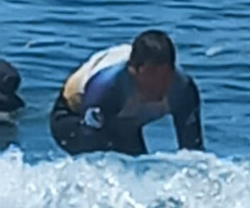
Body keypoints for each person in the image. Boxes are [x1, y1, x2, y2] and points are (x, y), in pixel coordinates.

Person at [50, 29, 203, 156]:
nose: (158, 85)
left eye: (165, 77)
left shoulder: (183, 90)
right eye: (151, 76)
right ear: (134, 70)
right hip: (73, 116)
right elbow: (89, 145)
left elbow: (193, 151)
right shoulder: (107, 89)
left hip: (125, 124)